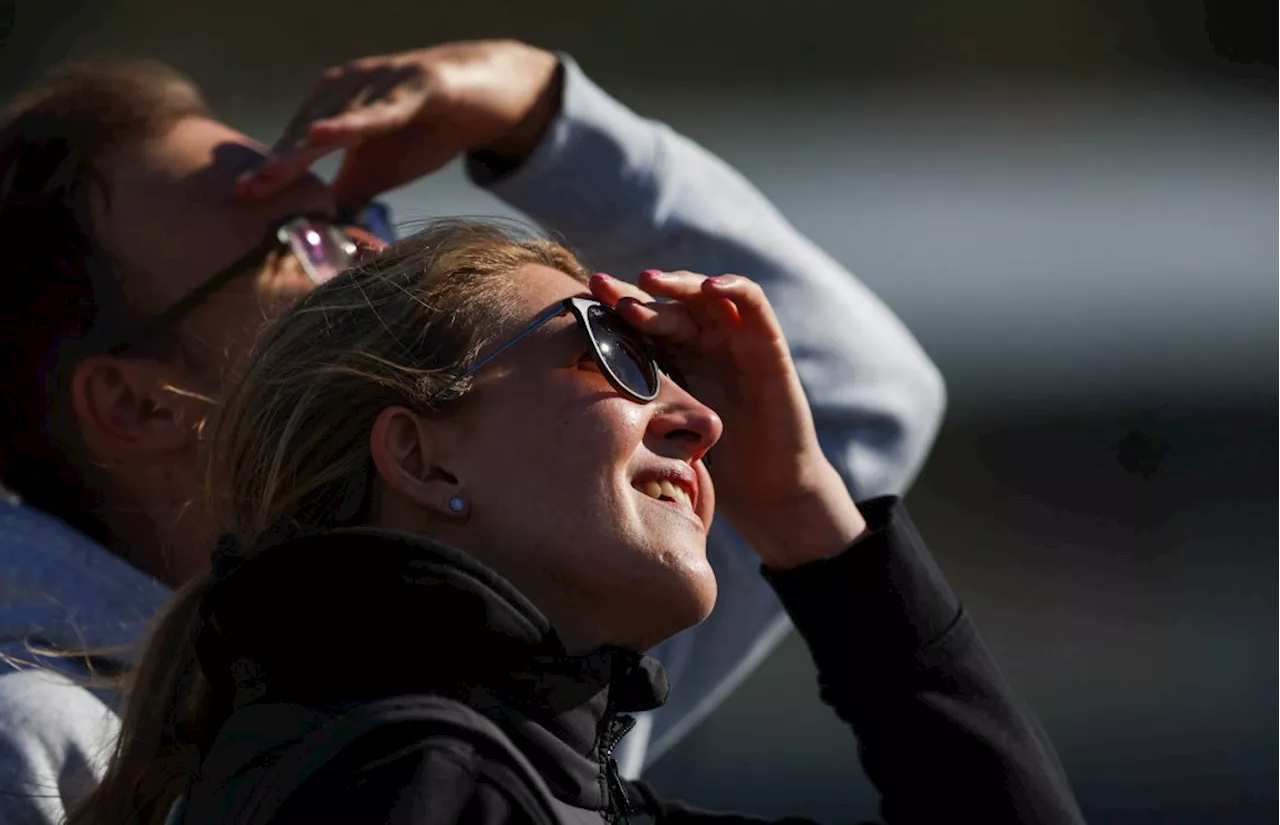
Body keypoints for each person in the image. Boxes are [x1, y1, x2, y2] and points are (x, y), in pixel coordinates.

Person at [0, 40, 946, 821]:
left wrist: (543, 111)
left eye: (360, 219)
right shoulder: (32, 736)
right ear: (139, 405)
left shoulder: (529, 629)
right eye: (306, 244)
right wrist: (554, 136)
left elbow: (841, 402)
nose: (383, 254)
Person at [67, 221, 1083, 825]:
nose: (700, 420)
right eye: (611, 348)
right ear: (421, 456)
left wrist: (799, 509)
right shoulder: (413, 783)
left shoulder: (470, 779)